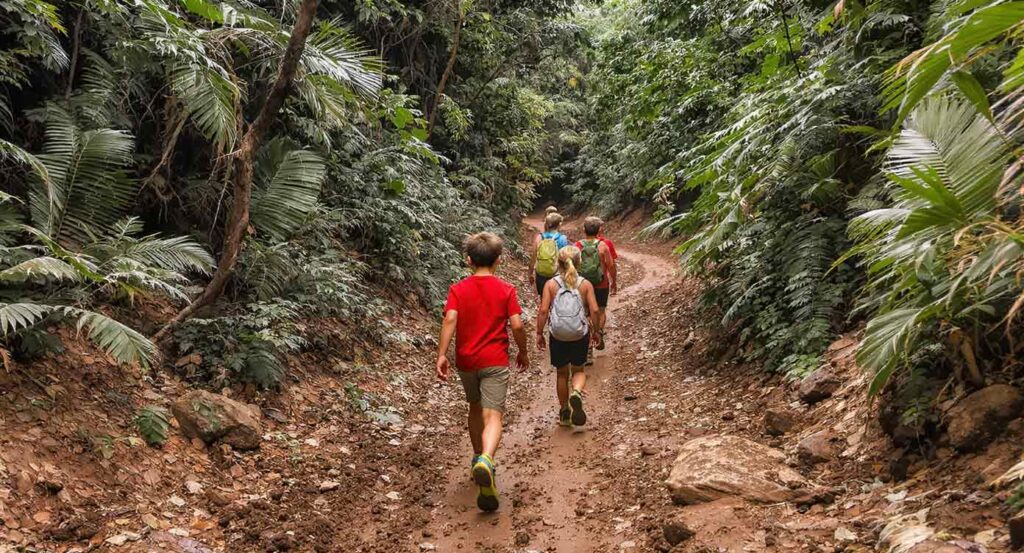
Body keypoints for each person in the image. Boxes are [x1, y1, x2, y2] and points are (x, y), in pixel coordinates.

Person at [436, 232, 529, 512]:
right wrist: (523, 351)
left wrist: (442, 354)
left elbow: (450, 319)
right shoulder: (506, 289)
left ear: (468, 260)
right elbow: (517, 325)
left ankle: (477, 456)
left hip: (467, 360)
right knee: (493, 415)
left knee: (475, 407)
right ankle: (487, 459)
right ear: (498, 260)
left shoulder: (458, 289)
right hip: (494, 360)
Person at [536, 246, 600, 427]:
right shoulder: (585, 284)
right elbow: (595, 310)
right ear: (579, 263)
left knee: (561, 373)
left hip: (558, 335)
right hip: (579, 333)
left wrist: (539, 333)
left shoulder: (550, 284)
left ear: (558, 263)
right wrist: (596, 331)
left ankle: (565, 412)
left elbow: (543, 310)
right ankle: (577, 392)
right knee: (578, 370)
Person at [576, 217, 616, 353]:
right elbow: (611, 266)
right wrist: (614, 282)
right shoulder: (603, 246)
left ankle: (588, 347)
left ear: (584, 230)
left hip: (582, 285)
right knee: (601, 311)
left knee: (585, 313)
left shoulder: (577, 246)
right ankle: (598, 333)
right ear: (599, 230)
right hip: (601, 284)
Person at [530, 212, 570, 296]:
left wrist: (530, 273)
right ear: (559, 225)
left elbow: (533, 257)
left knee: (543, 297)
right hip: (556, 274)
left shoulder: (540, 237)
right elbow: (565, 259)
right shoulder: (562, 238)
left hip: (541, 273)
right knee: (555, 299)